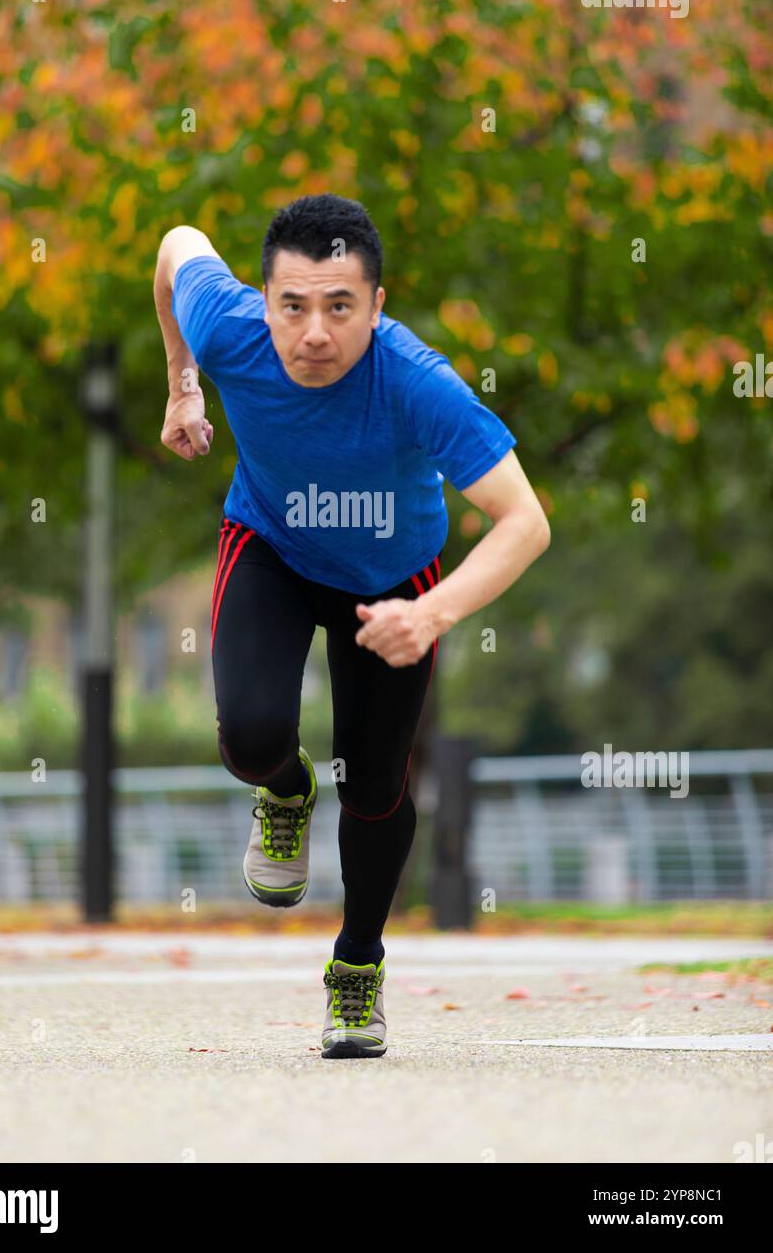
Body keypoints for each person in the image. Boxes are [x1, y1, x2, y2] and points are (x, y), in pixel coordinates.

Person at [153, 194, 550, 1058]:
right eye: (292, 306)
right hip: (273, 549)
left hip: (391, 587)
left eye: (340, 307)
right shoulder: (227, 328)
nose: (315, 333)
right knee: (251, 735)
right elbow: (177, 243)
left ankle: (357, 966)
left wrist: (433, 612)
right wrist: (182, 386)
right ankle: (285, 791)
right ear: (263, 302)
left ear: (378, 304)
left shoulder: (417, 383)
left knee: (375, 788)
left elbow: (525, 520)